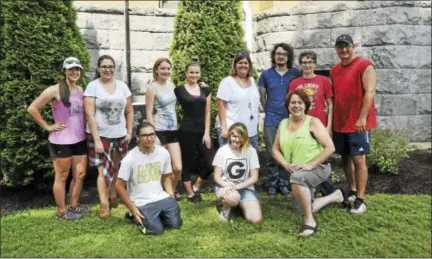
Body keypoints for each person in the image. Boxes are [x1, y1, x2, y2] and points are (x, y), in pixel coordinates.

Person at [272, 89, 349, 237]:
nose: (296, 106)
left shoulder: (313, 122)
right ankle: (335, 196)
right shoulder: (283, 124)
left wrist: (311, 164)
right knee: (300, 208)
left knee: (297, 178)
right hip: (297, 171)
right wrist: (286, 164)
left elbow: (330, 147)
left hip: (318, 167)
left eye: (299, 102)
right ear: (288, 106)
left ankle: (310, 222)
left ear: (305, 105)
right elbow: (275, 149)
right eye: (292, 102)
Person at [27, 57, 87, 220]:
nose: (75, 72)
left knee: (80, 174)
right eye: (71, 69)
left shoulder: (80, 89)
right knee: (62, 176)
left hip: (80, 139)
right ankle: (62, 211)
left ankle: (73, 206)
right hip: (61, 141)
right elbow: (32, 108)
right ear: (64, 71)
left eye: (77, 69)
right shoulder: (54, 90)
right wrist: (48, 126)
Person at [330, 34, 377, 214]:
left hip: (358, 123)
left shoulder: (365, 65)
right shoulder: (334, 70)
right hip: (340, 122)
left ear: (353, 46)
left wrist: (362, 117)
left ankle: (360, 200)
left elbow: (370, 91)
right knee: (344, 158)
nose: (343, 50)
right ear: (336, 49)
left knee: (359, 159)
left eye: (346, 46)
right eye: (340, 47)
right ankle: (352, 189)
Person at [84, 55, 133, 219]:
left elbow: (129, 111)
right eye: (104, 66)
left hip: (119, 135)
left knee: (117, 167)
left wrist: (129, 132)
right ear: (98, 68)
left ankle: (113, 198)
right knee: (102, 172)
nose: (107, 69)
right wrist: (97, 139)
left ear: (115, 68)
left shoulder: (122, 86)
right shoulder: (93, 87)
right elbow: (90, 115)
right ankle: (104, 204)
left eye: (111, 66)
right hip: (101, 136)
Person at [116, 121, 182, 235]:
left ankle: (156, 216)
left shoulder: (163, 153)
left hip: (161, 197)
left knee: (175, 225)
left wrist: (171, 196)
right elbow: (119, 186)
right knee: (157, 230)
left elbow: (167, 177)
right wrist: (132, 208)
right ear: (138, 138)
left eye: (152, 134)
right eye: (145, 135)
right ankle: (134, 216)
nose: (149, 138)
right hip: (141, 202)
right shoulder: (129, 159)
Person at [289, 50, 335, 196]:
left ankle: (328, 190)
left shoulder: (323, 81)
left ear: (315, 63)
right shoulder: (295, 83)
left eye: (310, 62)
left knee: (322, 159)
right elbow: (291, 105)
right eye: (304, 62)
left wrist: (329, 126)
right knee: (305, 158)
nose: (307, 65)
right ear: (300, 64)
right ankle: (309, 189)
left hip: (320, 126)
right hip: (302, 127)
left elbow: (330, 104)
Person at [258, 43, 301, 196]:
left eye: (284, 54)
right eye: (278, 54)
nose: (280, 56)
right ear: (274, 56)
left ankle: (284, 183)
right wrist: (269, 109)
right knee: (271, 152)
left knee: (286, 151)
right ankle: (272, 182)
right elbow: (262, 96)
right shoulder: (266, 74)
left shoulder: (295, 73)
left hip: (290, 119)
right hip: (271, 119)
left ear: (288, 56)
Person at [174, 59, 214, 202]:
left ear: (200, 74)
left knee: (211, 163)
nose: (194, 75)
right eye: (191, 72)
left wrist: (207, 133)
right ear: (186, 73)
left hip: (202, 132)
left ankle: (196, 186)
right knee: (187, 162)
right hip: (186, 131)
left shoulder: (205, 89)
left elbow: (208, 112)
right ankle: (190, 193)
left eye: (197, 72)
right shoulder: (178, 90)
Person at [145, 58, 182, 199]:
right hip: (158, 131)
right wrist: (152, 134)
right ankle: (162, 195)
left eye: (168, 68)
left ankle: (169, 191)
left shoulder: (172, 86)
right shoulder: (151, 88)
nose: (166, 71)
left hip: (173, 130)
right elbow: (149, 112)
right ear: (156, 70)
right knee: (161, 167)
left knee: (177, 168)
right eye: (162, 68)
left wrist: (200, 86)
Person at [213, 122, 262, 224]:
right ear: (229, 136)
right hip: (226, 187)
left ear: (245, 137)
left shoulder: (251, 151)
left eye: (240, 137)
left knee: (256, 220)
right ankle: (226, 208)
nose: (237, 139)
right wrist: (226, 184)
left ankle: (238, 206)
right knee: (233, 198)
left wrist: (238, 186)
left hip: (245, 188)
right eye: (234, 136)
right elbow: (216, 176)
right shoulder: (222, 151)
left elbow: (254, 177)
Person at [215, 51, 260, 149]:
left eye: (245, 63)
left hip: (250, 131)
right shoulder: (227, 82)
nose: (243, 65)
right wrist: (224, 128)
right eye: (240, 63)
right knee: (232, 162)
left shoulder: (252, 80)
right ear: (235, 65)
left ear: (249, 65)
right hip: (233, 132)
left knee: (250, 163)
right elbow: (220, 104)